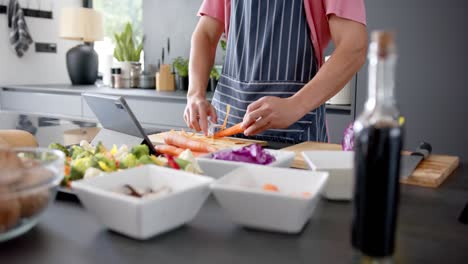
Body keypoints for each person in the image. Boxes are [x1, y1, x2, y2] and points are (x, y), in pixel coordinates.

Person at [184, 0, 367, 143]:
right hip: (225, 130)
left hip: (294, 133)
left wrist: (296, 105)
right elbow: (205, 34)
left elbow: (354, 47)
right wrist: (195, 94)